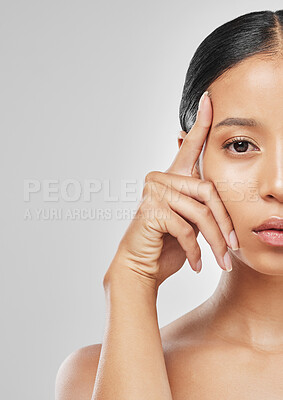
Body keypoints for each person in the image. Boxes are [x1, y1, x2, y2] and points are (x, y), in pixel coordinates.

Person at [55, 9, 283, 399]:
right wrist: (130, 280)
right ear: (191, 162)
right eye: (241, 145)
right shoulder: (97, 376)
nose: (278, 185)